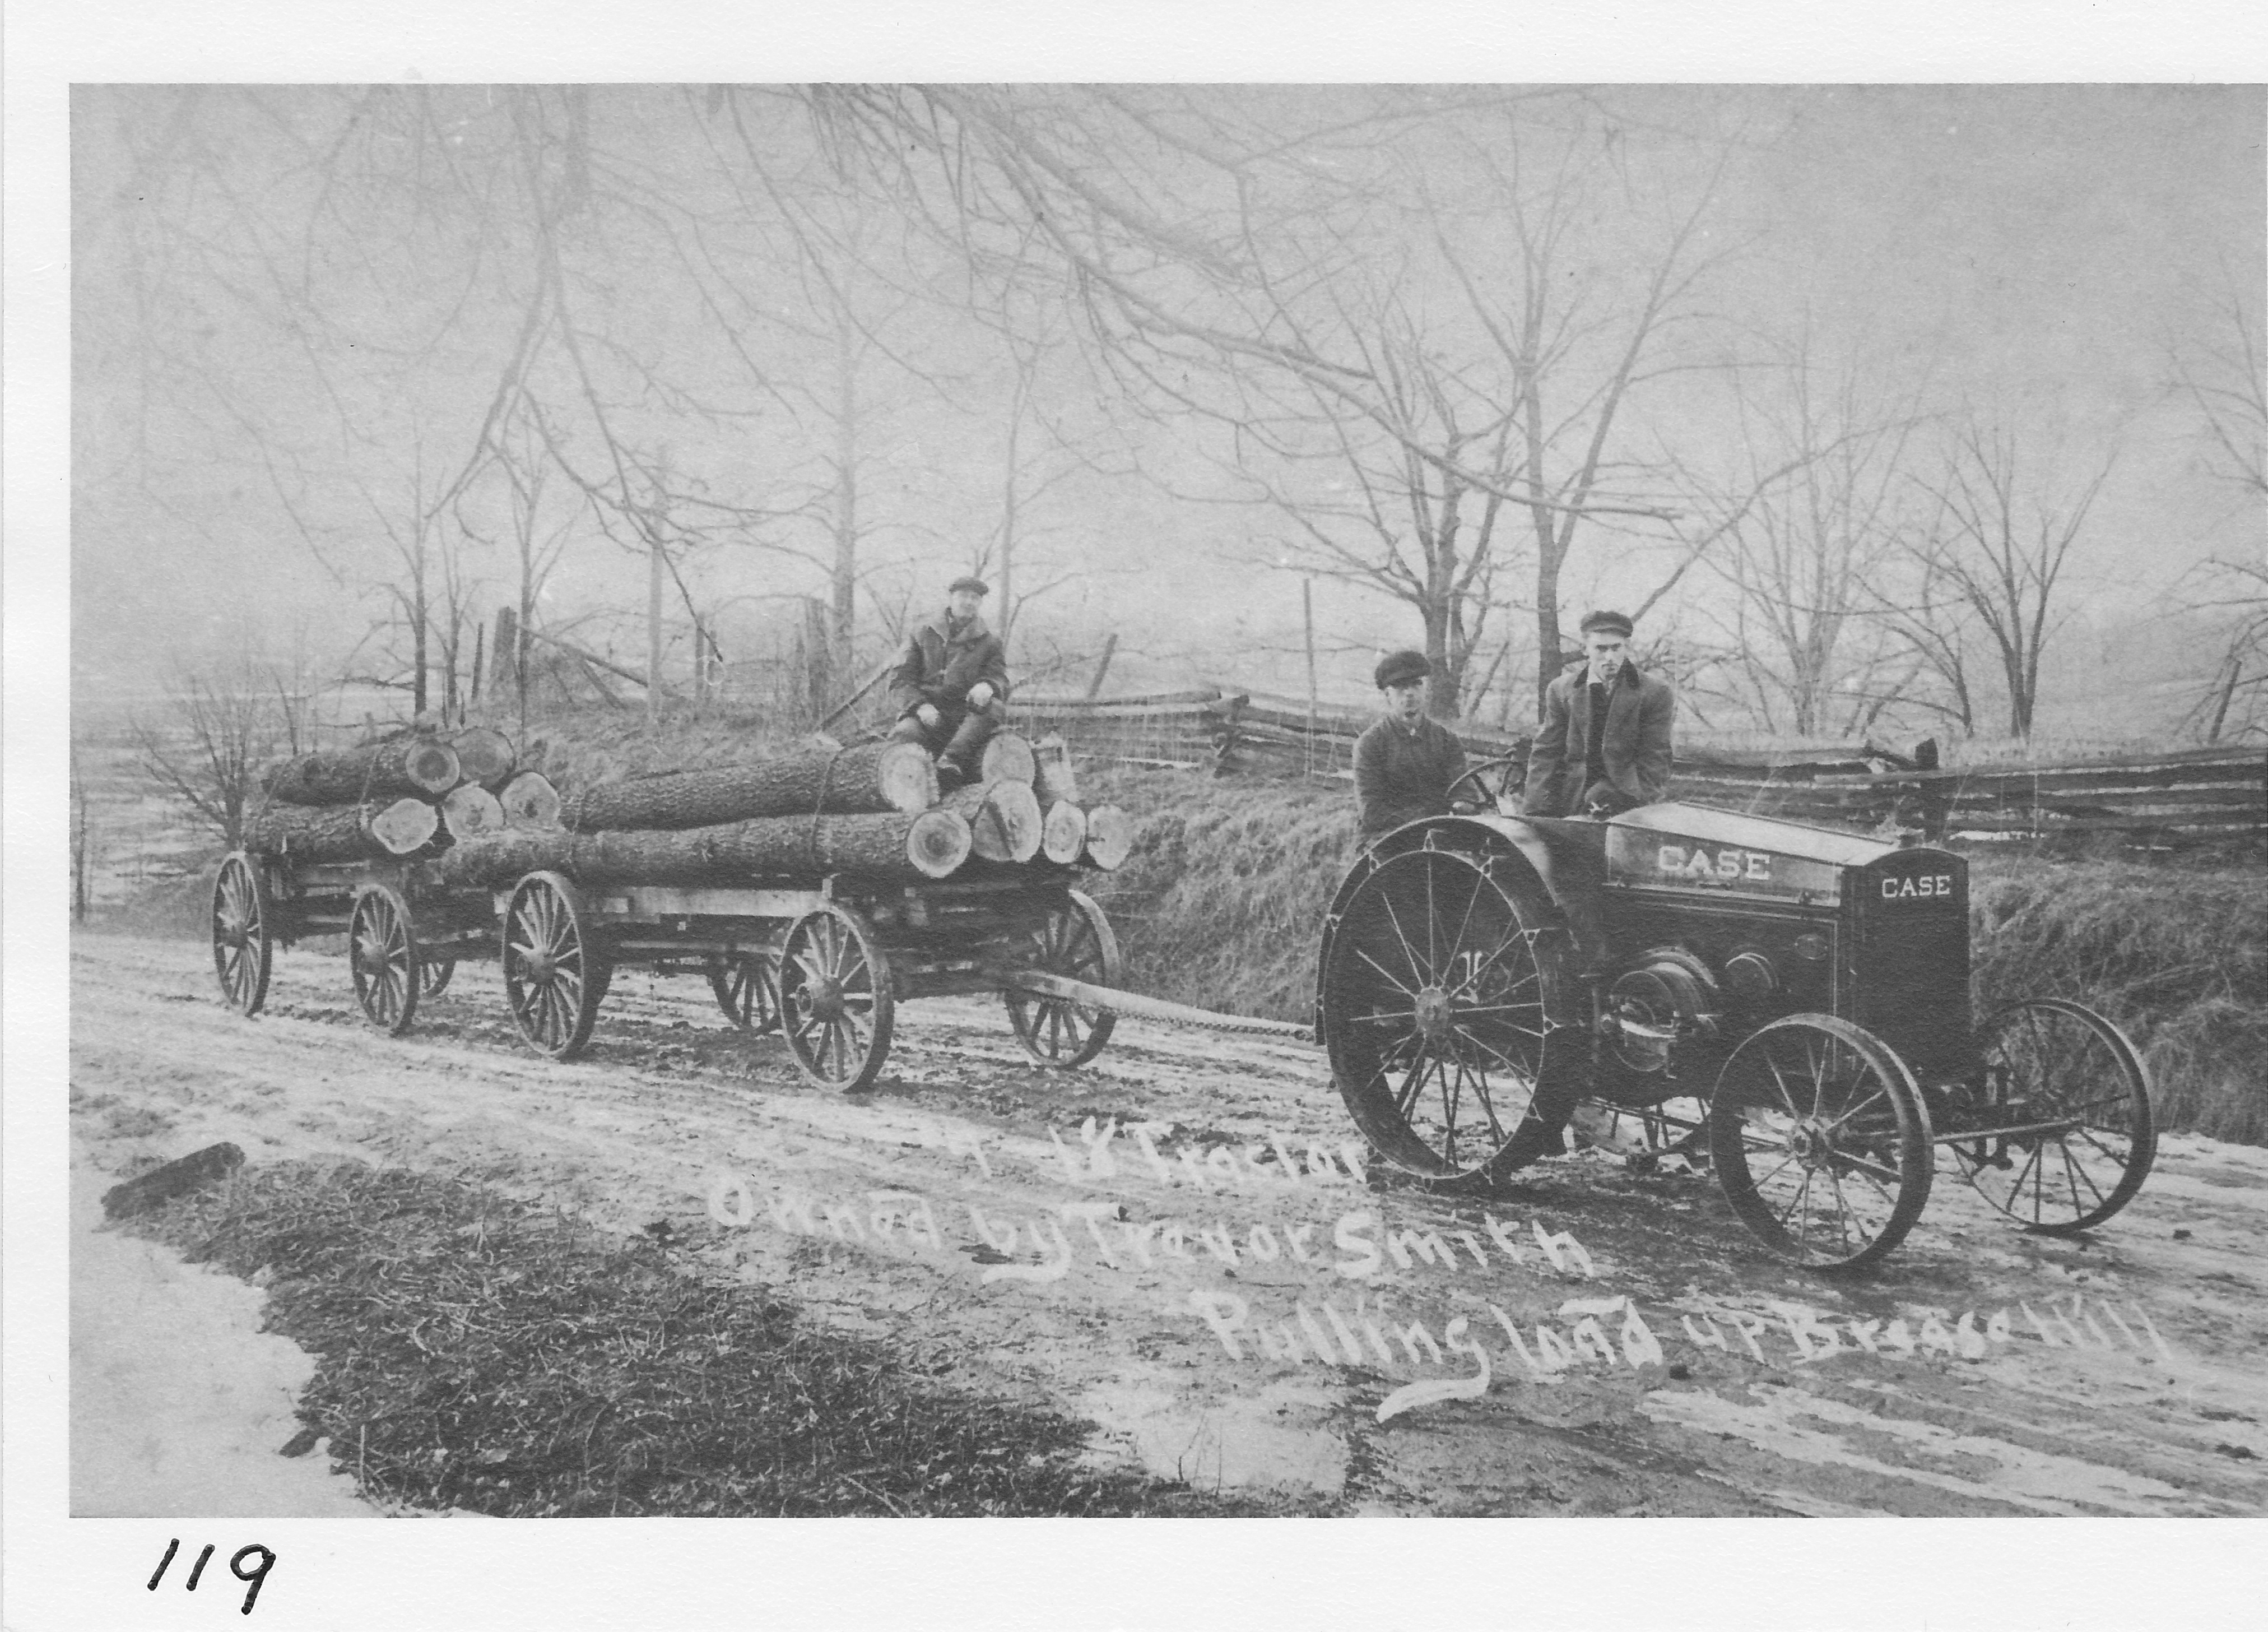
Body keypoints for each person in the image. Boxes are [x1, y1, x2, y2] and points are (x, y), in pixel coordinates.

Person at [1521, 609, 1676, 820]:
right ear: (1585, 649)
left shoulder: (1655, 692)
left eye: (1616, 648)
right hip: (1570, 798)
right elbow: (1547, 752)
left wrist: (1634, 800)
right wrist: (1537, 809)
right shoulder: (1561, 690)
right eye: (1601, 649)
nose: (1609, 657)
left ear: (1627, 647)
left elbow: (1656, 758)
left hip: (1627, 801)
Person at [887, 574, 1011, 783]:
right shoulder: (923, 632)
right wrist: (919, 706)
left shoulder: (990, 641)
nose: (969, 602)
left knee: (995, 708)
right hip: (928, 713)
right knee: (903, 737)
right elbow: (900, 679)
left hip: (967, 714)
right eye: (964, 596)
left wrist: (987, 686)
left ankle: (950, 762)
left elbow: (999, 677)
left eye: (975, 598)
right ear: (952, 598)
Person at [1353, 649, 1468, 841]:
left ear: (1425, 690)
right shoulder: (1371, 744)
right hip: (1386, 838)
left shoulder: (1447, 740)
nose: (1409, 694)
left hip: (1438, 835)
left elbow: (1464, 791)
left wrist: (1463, 805)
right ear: (1388, 696)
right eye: (1400, 687)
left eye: (1416, 685)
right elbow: (1372, 812)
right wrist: (1427, 820)